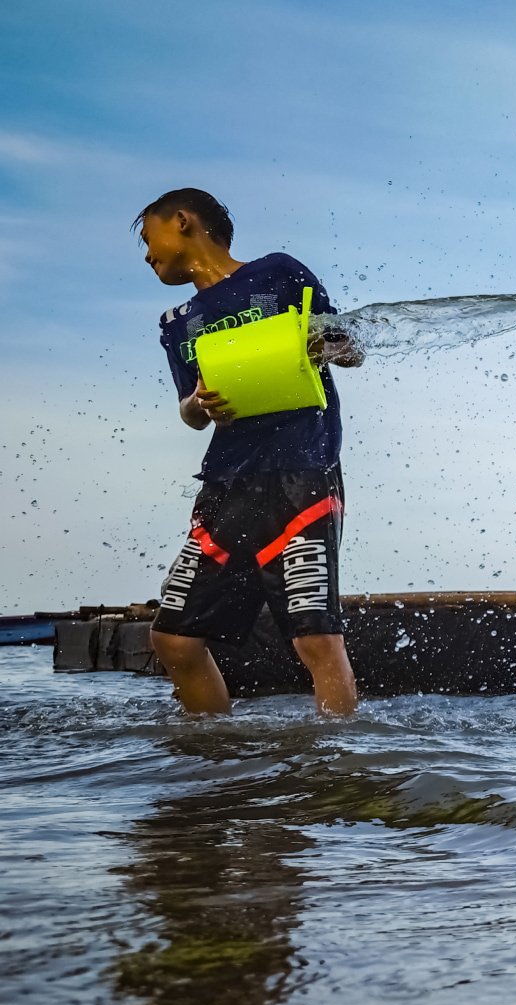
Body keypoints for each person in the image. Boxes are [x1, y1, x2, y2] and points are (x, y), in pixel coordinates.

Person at [137, 188, 361, 716]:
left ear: (184, 222)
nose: (148, 255)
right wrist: (199, 402)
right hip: (226, 484)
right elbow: (190, 413)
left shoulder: (277, 272)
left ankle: (334, 772)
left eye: (150, 239)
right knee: (174, 640)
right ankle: (214, 762)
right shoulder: (177, 321)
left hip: (301, 472)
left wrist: (321, 343)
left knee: (315, 641)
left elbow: (351, 349)